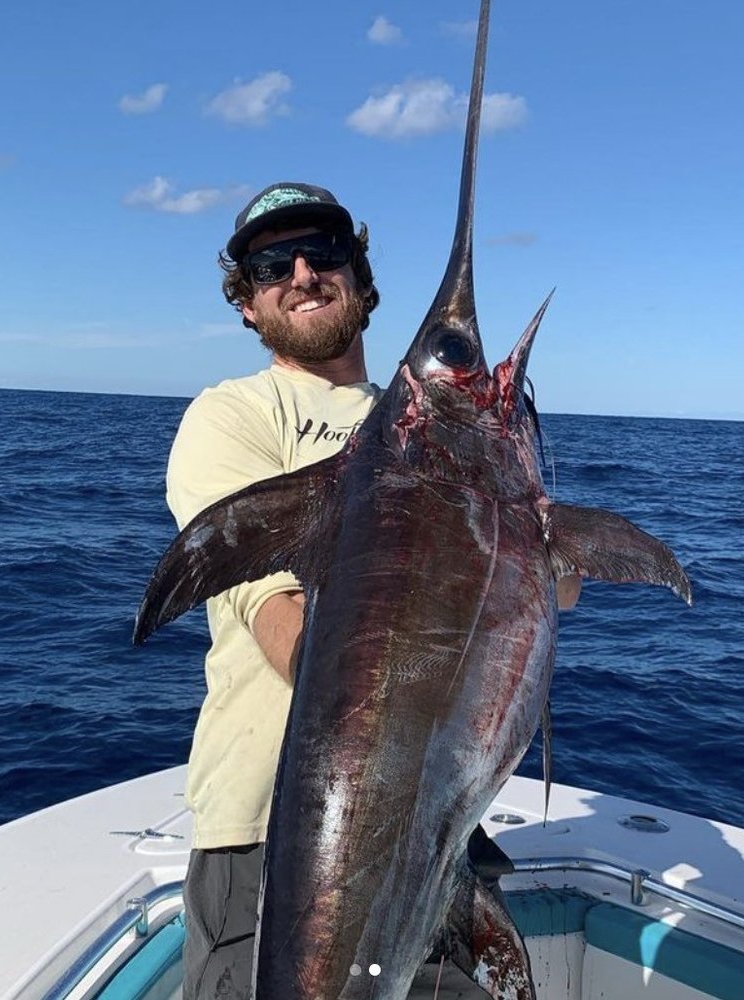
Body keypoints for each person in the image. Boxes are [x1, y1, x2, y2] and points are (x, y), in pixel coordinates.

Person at [166, 182, 580, 999]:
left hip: (437, 838)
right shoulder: (232, 415)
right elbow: (275, 617)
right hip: (271, 841)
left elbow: (554, 595)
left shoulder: (409, 419)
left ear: (359, 278)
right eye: (268, 264)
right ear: (246, 304)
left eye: (324, 253)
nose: (301, 273)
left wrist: (525, 533)